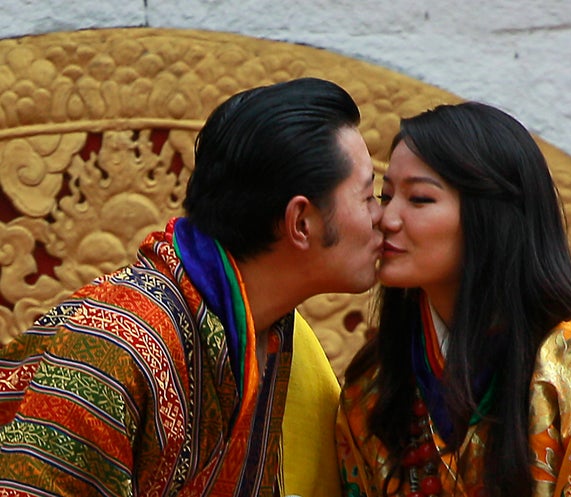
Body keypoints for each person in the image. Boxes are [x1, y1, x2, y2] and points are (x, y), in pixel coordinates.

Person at [0, 77, 382, 497]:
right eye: (368, 198)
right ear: (301, 222)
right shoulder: (114, 340)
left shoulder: (272, 334)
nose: (383, 217)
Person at [336, 102, 571, 497]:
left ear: (491, 217)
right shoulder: (371, 389)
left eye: (419, 199)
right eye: (386, 197)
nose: (388, 218)